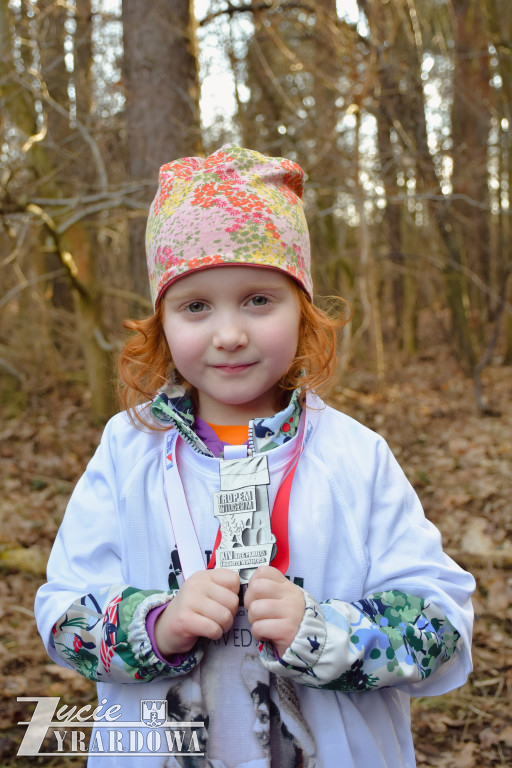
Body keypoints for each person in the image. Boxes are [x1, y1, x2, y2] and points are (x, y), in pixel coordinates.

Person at [35, 144, 475, 768]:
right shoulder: (127, 450)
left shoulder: (353, 457)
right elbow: (62, 614)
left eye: (258, 300)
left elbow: (442, 625)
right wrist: (157, 625)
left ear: (304, 311)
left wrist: (322, 633)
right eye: (195, 306)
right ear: (162, 325)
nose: (229, 332)